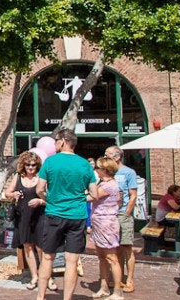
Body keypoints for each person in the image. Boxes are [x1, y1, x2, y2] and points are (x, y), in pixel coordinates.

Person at [35, 128, 95, 300]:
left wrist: (50, 199)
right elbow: (95, 194)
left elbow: (39, 189)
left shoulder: (51, 162)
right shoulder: (84, 164)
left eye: (56, 142)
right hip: (77, 216)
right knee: (72, 261)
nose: (54, 145)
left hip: (54, 214)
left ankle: (40, 296)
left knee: (47, 257)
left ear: (62, 142)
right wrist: (79, 199)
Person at [6, 151, 55, 292]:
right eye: (28, 165)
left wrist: (40, 201)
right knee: (28, 247)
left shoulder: (42, 178)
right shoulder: (18, 177)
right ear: (23, 165)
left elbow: (51, 199)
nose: (31, 168)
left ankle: (47, 277)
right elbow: (7, 192)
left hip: (40, 216)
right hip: (23, 216)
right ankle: (34, 277)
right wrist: (13, 194)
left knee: (41, 248)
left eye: (33, 165)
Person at [88, 157, 124, 300]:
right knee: (102, 257)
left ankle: (118, 291)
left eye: (98, 168)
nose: (96, 170)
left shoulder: (109, 186)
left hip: (106, 224)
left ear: (105, 170)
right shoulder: (103, 183)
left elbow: (92, 196)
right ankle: (104, 287)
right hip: (98, 223)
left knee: (111, 257)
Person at [105, 145, 138, 294]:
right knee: (115, 247)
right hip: (110, 215)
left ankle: (130, 280)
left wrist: (126, 213)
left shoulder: (128, 173)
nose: (105, 158)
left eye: (108, 155)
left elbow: (133, 195)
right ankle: (119, 278)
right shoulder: (108, 172)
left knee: (127, 248)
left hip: (122, 214)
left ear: (117, 157)